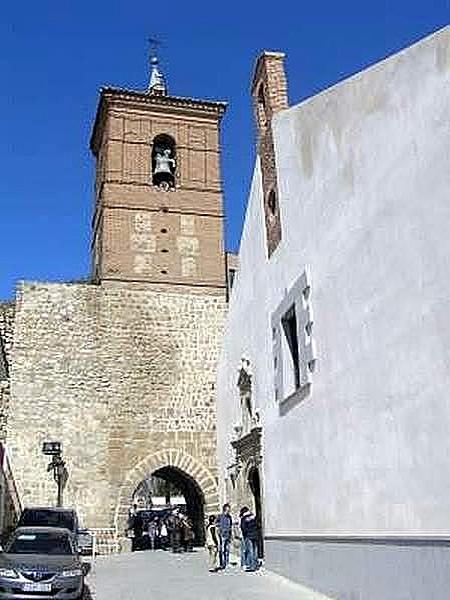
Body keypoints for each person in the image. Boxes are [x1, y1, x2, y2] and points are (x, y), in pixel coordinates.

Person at [240, 507, 259, 572]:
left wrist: (246, 533)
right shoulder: (253, 517)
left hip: (249, 536)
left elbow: (243, 527)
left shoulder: (244, 518)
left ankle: (252, 566)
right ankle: (255, 565)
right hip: (255, 536)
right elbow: (258, 525)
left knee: (250, 551)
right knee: (255, 551)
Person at [217, 503, 233, 570]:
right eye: (227, 510)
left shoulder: (229, 517)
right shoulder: (220, 516)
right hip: (222, 535)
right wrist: (220, 530)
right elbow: (216, 524)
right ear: (224, 510)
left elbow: (231, 526)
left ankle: (226, 563)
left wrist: (231, 534)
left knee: (227, 550)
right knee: (222, 550)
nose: (228, 511)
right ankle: (222, 563)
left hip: (228, 535)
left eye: (229, 510)